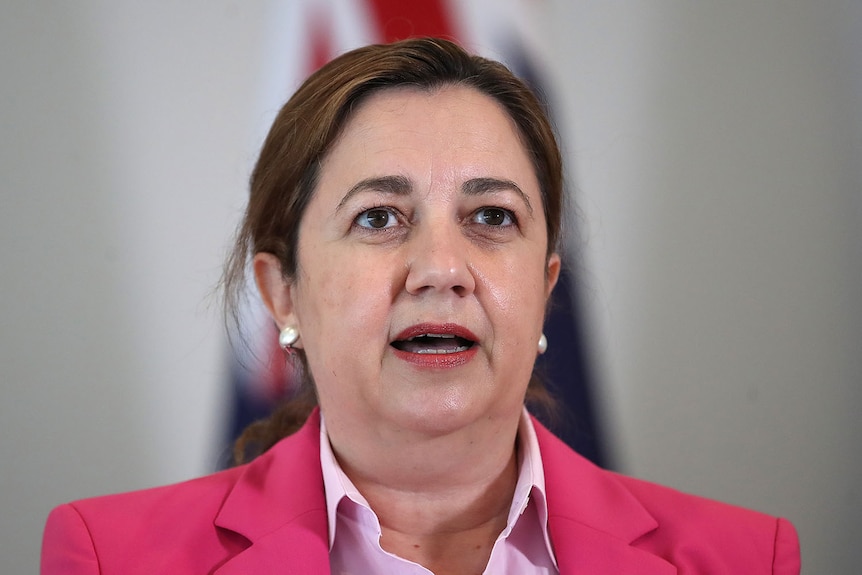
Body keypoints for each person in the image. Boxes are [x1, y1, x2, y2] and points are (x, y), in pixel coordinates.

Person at [41, 37, 800, 575]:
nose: (441, 268)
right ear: (282, 292)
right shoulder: (110, 556)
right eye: (378, 217)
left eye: (492, 217)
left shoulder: (743, 559)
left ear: (545, 286)